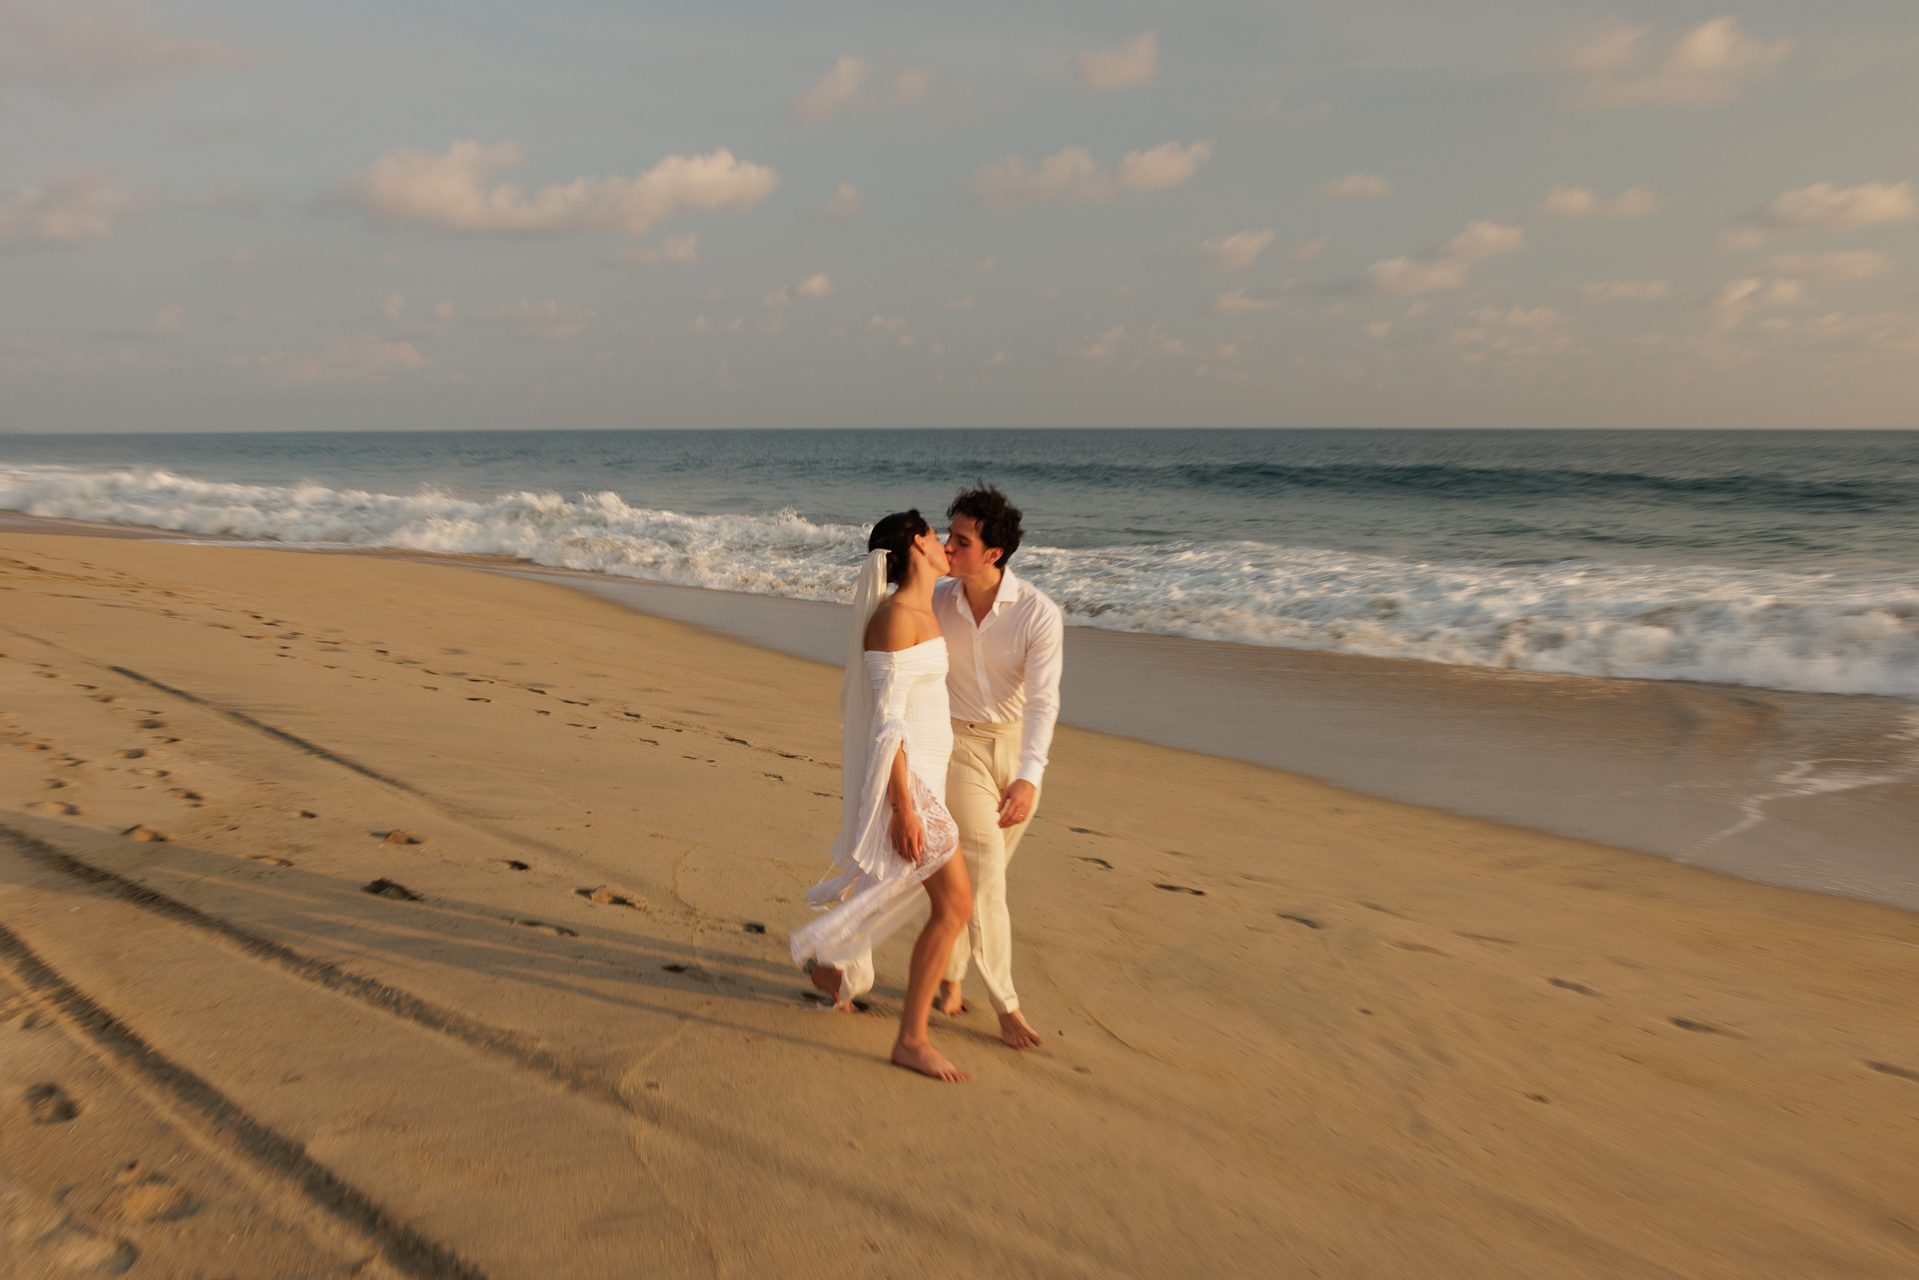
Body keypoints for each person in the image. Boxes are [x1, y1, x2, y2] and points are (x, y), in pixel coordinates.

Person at [790, 511, 976, 1082]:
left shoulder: (927, 610)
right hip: (911, 782)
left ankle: (836, 968)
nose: (948, 545)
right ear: (916, 544)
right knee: (954, 905)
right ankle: (911, 1040)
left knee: (892, 887)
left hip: (929, 775)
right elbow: (887, 724)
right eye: (938, 536)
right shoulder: (893, 619)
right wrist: (903, 804)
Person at [933, 487, 1063, 1051]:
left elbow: (1043, 702)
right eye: (949, 535)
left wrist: (1030, 775)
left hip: (1015, 752)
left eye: (960, 541)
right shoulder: (936, 600)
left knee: (984, 878)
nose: (948, 548)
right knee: (984, 875)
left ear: (993, 554)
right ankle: (1006, 1004)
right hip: (958, 746)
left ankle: (951, 972)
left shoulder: (1038, 612)